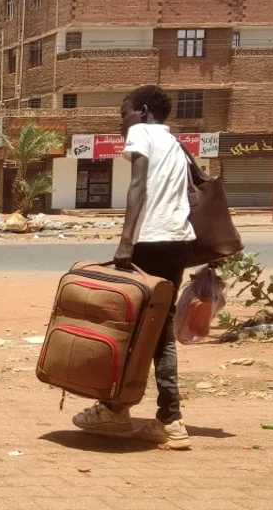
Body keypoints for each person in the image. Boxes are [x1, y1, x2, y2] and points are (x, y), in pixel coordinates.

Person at [72, 84, 195, 450]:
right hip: (178, 241)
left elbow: (137, 186)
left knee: (130, 328)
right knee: (159, 331)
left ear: (142, 111)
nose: (121, 122)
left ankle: (116, 411)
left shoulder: (143, 133)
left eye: (123, 113)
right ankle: (168, 420)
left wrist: (126, 241)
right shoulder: (176, 144)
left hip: (151, 241)